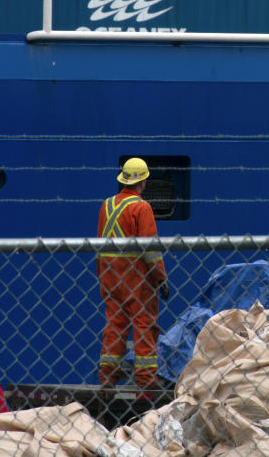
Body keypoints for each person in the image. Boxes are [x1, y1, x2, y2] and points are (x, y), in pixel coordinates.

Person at [97, 157, 168, 391]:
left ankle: (107, 380)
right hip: (136, 278)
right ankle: (147, 384)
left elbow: (100, 245)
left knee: (115, 326)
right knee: (144, 325)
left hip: (109, 275)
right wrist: (161, 278)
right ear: (143, 181)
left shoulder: (106, 206)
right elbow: (151, 249)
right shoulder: (141, 207)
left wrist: (102, 276)